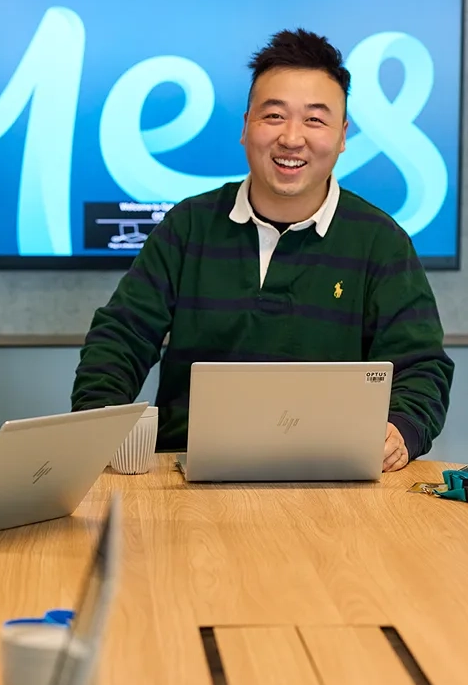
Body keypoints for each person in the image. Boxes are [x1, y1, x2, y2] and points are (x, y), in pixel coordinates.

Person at [72, 29, 453, 471]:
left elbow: (422, 366)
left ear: (343, 135)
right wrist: (97, 426)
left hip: (332, 478)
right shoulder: (189, 225)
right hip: (186, 475)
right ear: (246, 126)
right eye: (274, 116)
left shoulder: (381, 241)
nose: (292, 138)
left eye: (315, 120)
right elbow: (121, 337)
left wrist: (401, 429)